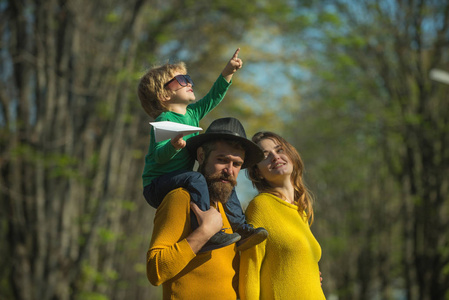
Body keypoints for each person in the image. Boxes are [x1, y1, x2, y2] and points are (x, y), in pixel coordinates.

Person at [138, 49, 266, 252]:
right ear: (164, 94)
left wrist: (228, 72)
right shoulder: (165, 120)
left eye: (188, 78)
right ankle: (208, 231)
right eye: (181, 80)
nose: (189, 82)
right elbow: (159, 157)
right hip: (156, 186)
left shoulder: (193, 114)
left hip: (182, 178)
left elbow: (213, 97)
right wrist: (172, 147)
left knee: (224, 179)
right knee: (197, 179)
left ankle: (240, 227)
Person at [146, 117, 267, 299]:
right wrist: (204, 233)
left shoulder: (229, 209)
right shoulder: (181, 197)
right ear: (201, 156)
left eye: (237, 164)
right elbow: (155, 271)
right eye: (222, 160)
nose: (229, 170)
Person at [239, 131, 326, 300]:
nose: (275, 157)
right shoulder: (260, 206)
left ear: (291, 155)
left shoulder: (301, 212)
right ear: (257, 172)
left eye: (279, 150)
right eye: (265, 155)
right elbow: (250, 270)